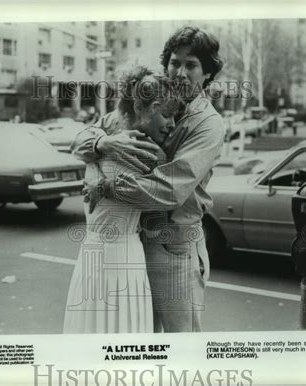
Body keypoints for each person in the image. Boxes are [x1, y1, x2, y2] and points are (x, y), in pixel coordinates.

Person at [71, 26, 226, 333]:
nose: (180, 72)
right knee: (141, 338)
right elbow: (81, 139)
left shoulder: (208, 125)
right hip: (134, 241)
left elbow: (169, 190)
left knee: (180, 344)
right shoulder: (149, 99)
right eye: (174, 62)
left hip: (174, 247)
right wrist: (104, 144)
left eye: (191, 65)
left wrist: (104, 185)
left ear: (207, 73)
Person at [63, 66, 179, 334]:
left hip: (97, 252)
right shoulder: (148, 152)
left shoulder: (107, 139)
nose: (172, 124)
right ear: (147, 109)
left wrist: (103, 183)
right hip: (122, 254)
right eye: (167, 115)